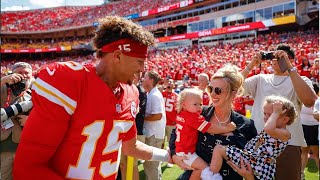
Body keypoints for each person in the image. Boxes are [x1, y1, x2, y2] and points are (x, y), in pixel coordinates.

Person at [13, 16, 170, 180]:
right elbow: (28, 169)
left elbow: (131, 147)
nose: (142, 69)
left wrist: (166, 156)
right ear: (117, 56)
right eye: (139, 62)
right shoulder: (70, 82)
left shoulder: (132, 93)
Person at [241, 44, 317, 180]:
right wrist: (251, 65)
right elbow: (233, 88)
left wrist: (290, 68)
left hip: (289, 144)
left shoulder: (301, 79)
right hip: (259, 143)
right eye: (273, 56)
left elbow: (310, 101)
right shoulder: (260, 78)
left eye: (279, 56)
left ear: (290, 60)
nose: (274, 59)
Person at [170, 64, 258, 180]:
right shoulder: (198, 113)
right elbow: (176, 134)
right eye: (210, 89)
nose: (212, 94)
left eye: (218, 90)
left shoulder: (246, 125)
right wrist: (174, 155)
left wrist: (250, 176)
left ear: (233, 93)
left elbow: (256, 162)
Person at [209, 95, 295, 180]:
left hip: (258, 165)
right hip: (253, 162)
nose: (265, 117)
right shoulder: (273, 130)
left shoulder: (285, 134)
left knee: (219, 149)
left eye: (271, 115)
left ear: (285, 120)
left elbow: (268, 129)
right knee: (221, 149)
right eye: (264, 113)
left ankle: (209, 178)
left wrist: (276, 112)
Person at [175, 88, 236, 179]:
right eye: (195, 104)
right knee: (205, 170)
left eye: (200, 104)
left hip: (182, 151)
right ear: (184, 104)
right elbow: (210, 128)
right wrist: (226, 128)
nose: (200, 107)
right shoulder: (193, 117)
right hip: (187, 153)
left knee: (201, 169)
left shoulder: (182, 114)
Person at [1, 62, 33, 180]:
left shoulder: (34, 93)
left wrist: (31, 121)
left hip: (23, 148)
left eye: (27, 73)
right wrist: (3, 80)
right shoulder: (3, 87)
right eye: (20, 73)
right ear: (11, 74)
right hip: (3, 149)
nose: (24, 76)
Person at [142, 71, 166, 180]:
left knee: (151, 164)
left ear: (151, 80)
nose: (143, 79)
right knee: (152, 164)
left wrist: (141, 117)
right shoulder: (151, 93)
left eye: (145, 77)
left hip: (154, 134)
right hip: (153, 133)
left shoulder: (155, 95)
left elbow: (157, 116)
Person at [300, 84, 319, 179]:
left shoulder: (318, 101)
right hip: (304, 127)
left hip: (315, 128)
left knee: (316, 154)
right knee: (304, 152)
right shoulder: (302, 99)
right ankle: (301, 174)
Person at [162, 78, 178, 168]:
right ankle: (160, 158)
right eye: (168, 82)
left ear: (174, 85)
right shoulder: (161, 93)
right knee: (161, 141)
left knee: (171, 142)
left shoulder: (176, 96)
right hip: (162, 122)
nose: (169, 83)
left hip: (171, 123)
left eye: (171, 82)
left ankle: (170, 160)